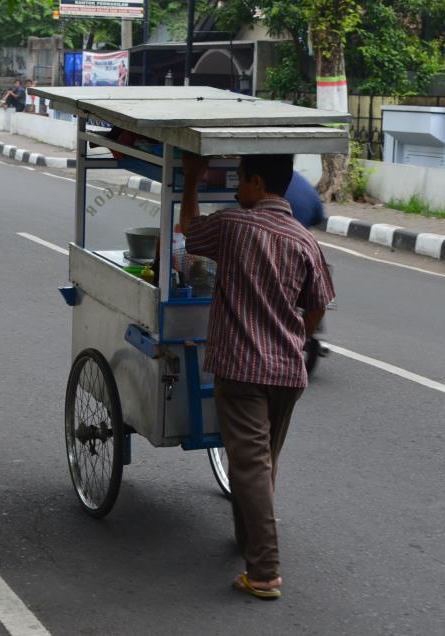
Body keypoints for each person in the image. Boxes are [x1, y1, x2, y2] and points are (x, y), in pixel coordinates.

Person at [180, 153, 335, 600]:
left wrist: (191, 180)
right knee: (262, 462)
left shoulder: (232, 226)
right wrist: (291, 338)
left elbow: (188, 230)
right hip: (288, 373)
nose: (235, 190)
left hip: (242, 370)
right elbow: (319, 304)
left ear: (256, 182)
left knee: (248, 465)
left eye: (240, 180)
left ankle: (264, 572)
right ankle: (247, 541)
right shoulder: (304, 240)